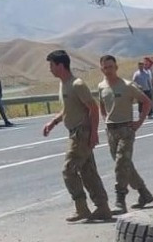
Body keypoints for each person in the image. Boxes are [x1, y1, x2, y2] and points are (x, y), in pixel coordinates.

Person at [42, 50, 112, 223]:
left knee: (68, 171)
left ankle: (82, 208)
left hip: (81, 133)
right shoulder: (63, 84)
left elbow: (93, 108)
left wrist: (94, 133)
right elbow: (68, 108)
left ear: (60, 65)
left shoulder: (77, 84)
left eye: (51, 65)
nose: (50, 69)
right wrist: (54, 122)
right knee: (88, 172)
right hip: (74, 132)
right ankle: (102, 207)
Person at [97, 54, 153, 212]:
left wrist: (139, 122)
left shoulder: (128, 85)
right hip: (111, 130)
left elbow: (147, 102)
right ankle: (144, 193)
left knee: (121, 164)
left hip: (126, 129)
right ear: (101, 68)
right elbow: (101, 104)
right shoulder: (101, 87)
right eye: (105, 67)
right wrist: (105, 118)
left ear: (116, 67)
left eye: (111, 66)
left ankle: (120, 199)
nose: (108, 70)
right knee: (125, 165)